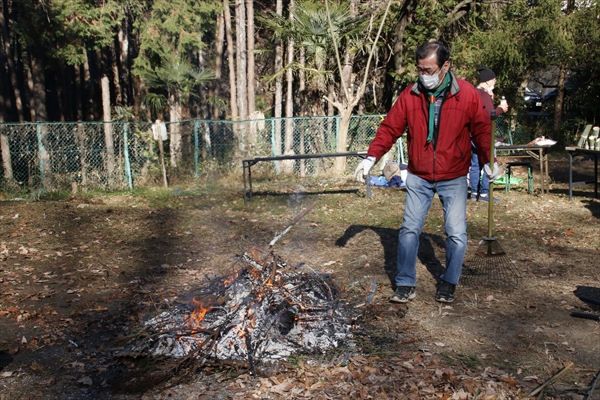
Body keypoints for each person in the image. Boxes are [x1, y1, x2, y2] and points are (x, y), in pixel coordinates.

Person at [353, 41, 499, 304]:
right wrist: (371, 156)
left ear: (445, 66)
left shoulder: (466, 94)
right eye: (420, 69)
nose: (424, 75)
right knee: (409, 230)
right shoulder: (411, 95)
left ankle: (449, 281)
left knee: (455, 232)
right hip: (419, 175)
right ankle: (405, 283)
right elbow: (390, 128)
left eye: (429, 70)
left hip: (453, 175)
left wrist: (490, 160)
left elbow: (481, 130)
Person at [469, 66, 509, 202]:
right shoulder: (484, 94)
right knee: (489, 161)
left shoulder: (473, 92)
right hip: (485, 135)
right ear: (487, 81)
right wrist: (501, 109)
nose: (495, 82)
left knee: (475, 164)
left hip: (472, 134)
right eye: (494, 79)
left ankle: (474, 193)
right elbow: (490, 115)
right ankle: (485, 194)